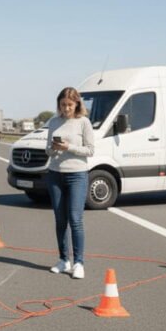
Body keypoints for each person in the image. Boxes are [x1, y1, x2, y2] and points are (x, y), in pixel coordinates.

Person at [44, 87, 95, 279]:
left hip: (77, 175)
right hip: (55, 174)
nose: (66, 108)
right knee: (60, 220)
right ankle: (63, 260)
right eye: (63, 105)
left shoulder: (84, 122)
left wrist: (69, 147)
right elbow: (48, 150)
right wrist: (55, 149)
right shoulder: (54, 122)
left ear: (77, 104)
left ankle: (79, 262)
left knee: (75, 219)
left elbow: (90, 150)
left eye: (69, 105)